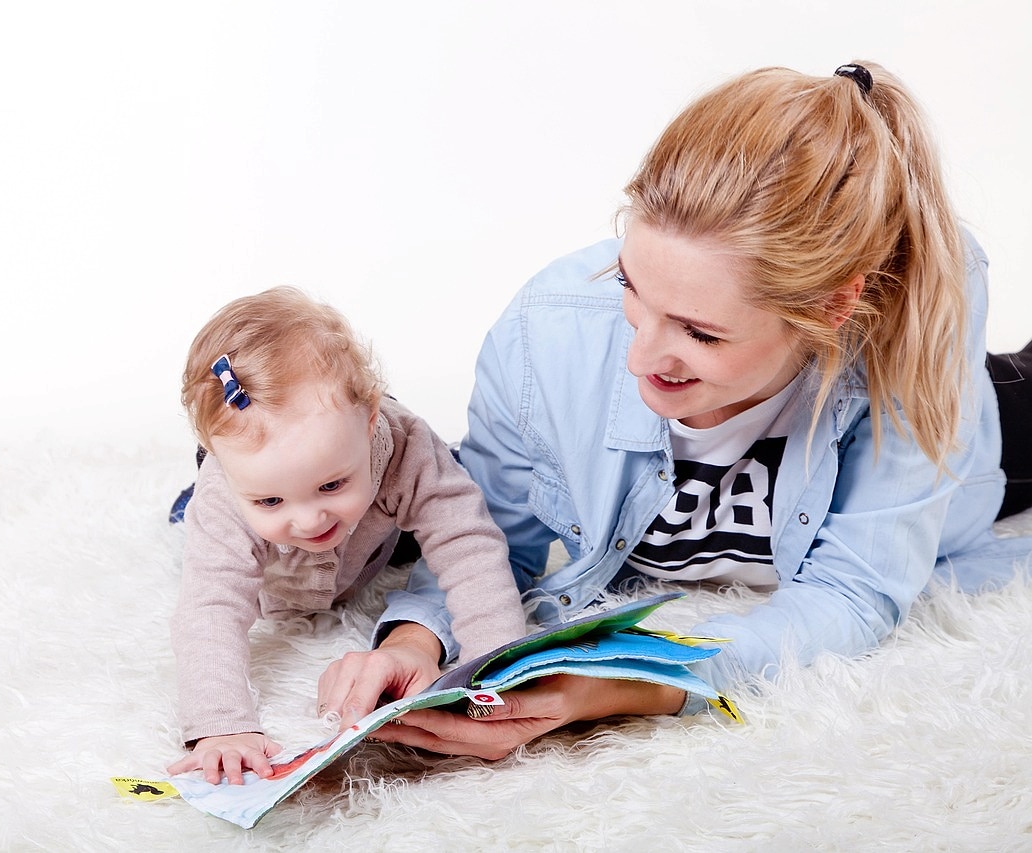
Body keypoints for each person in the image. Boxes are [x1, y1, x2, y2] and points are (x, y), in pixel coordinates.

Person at [316, 61, 1032, 759]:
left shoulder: (909, 326)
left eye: (700, 331)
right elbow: (486, 531)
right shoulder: (546, 336)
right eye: (632, 288)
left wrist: (631, 685)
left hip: (997, 435)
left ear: (834, 306)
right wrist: (415, 638)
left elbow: (856, 592)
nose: (639, 358)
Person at [166, 286, 527, 783]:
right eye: (270, 500)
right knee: (194, 523)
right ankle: (198, 497)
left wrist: (503, 666)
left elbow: (468, 546)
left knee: (457, 488)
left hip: (371, 539)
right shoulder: (224, 496)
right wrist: (221, 726)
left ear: (371, 418)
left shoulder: (403, 443)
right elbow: (210, 608)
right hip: (277, 568)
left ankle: (388, 488)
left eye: (330, 484)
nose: (311, 521)